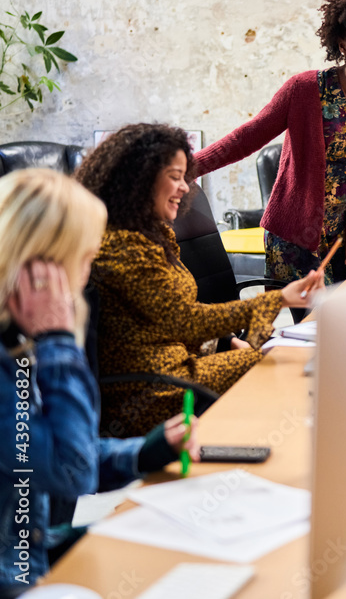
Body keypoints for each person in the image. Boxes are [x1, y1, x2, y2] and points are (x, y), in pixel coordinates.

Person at [0, 169, 200, 593]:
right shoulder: (23, 355)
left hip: (36, 554)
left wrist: (143, 452)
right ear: (42, 269)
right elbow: (71, 473)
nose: (86, 278)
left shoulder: (18, 343)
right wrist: (58, 341)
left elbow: (49, 453)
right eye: (85, 259)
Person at [77, 124, 318, 438]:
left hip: (176, 367)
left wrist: (225, 342)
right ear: (140, 177)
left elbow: (172, 317)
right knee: (281, 368)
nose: (184, 187)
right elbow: (182, 321)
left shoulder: (153, 234)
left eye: (184, 177)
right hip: (150, 390)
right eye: (174, 177)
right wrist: (278, 299)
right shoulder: (123, 246)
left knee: (281, 362)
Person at [194, 0, 346, 285]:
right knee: (300, 330)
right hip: (292, 238)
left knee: (345, 327)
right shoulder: (305, 89)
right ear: (342, 44)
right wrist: (186, 168)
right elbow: (248, 137)